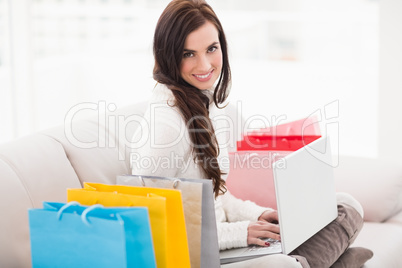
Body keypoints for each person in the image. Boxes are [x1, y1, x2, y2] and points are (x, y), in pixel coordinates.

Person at [130, 0, 373, 267]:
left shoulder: (206, 106)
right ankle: (336, 262)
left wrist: (258, 215)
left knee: (345, 206)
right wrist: (240, 233)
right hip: (198, 255)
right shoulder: (163, 128)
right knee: (284, 265)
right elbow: (158, 227)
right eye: (189, 54)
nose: (205, 65)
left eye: (212, 48)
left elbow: (216, 197)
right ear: (168, 56)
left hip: (223, 241)